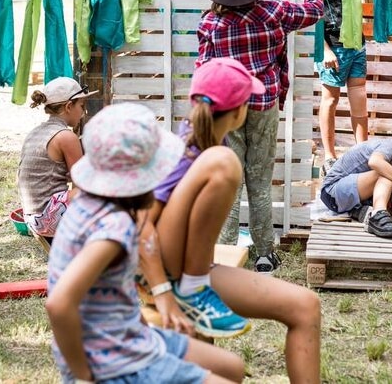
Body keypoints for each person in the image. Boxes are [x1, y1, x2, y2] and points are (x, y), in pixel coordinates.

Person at [138, 57, 322, 381]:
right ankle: (193, 290)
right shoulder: (188, 149)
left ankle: (195, 288)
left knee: (306, 306)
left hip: (187, 270)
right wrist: (162, 289)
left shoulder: (209, 140)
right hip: (161, 273)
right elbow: (140, 227)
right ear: (240, 112)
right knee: (225, 163)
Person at [45, 103, 244, 384]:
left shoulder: (87, 201)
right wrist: (83, 377)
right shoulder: (115, 228)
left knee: (231, 367)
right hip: (113, 364)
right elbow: (59, 303)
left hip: (130, 336)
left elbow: (113, 289)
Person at [196, 0, 324, 273]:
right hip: (264, 105)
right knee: (259, 180)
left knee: (229, 182)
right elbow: (315, 9)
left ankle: (224, 258)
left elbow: (203, 69)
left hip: (226, 110)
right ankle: (265, 253)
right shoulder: (275, 13)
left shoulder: (210, 23)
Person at [308, 0, 380, 176]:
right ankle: (329, 155)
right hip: (331, 45)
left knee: (359, 96)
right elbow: (312, 10)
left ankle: (362, 152)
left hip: (354, 41)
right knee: (330, 99)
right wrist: (324, 49)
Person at [17, 77, 97, 239]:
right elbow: (81, 184)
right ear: (69, 106)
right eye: (81, 106)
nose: (83, 112)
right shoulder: (66, 137)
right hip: (49, 218)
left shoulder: (36, 132)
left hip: (32, 217)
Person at [320, 128, 392, 238]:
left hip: (344, 196)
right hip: (333, 191)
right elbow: (375, 162)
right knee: (387, 172)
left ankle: (364, 213)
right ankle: (377, 217)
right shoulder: (390, 147)